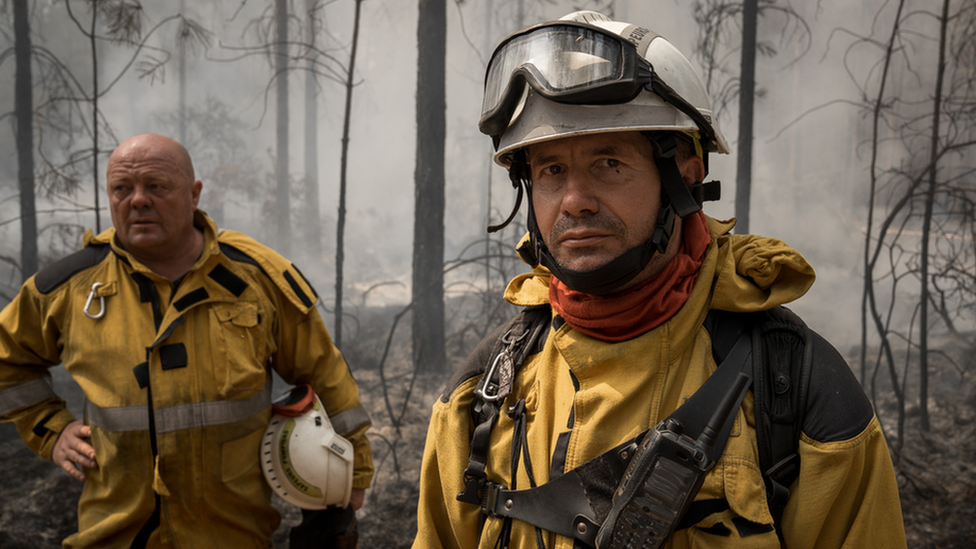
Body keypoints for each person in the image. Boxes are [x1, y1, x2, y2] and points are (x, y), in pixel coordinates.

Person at [413, 11, 907, 549]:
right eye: (552, 170)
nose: (574, 200)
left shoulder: (799, 394)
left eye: (608, 162)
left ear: (684, 178)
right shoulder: (481, 395)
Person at [0, 133, 373, 548]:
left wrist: (348, 482)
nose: (137, 200)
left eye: (156, 187)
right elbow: (7, 361)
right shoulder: (70, 289)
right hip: (115, 535)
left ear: (194, 195)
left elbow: (325, 377)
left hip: (233, 534)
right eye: (122, 189)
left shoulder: (256, 280)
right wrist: (52, 431)